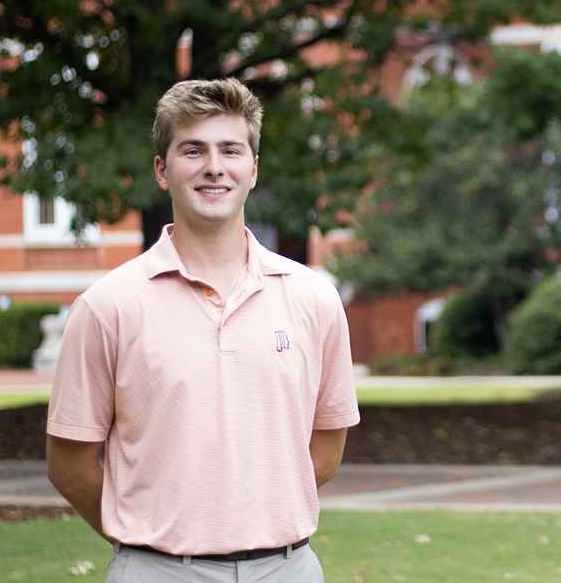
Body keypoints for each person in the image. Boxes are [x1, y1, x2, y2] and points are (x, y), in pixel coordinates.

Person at [46, 78, 360, 582]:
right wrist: (150, 542)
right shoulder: (108, 307)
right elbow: (69, 464)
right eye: (193, 150)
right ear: (162, 170)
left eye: (230, 150)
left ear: (253, 170)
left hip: (289, 569)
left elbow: (325, 445)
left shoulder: (313, 297)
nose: (214, 166)